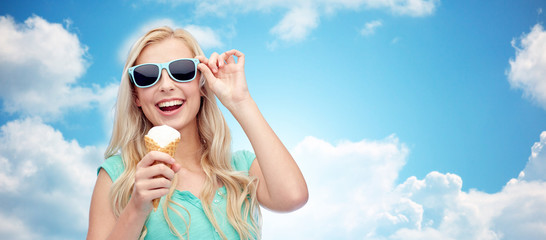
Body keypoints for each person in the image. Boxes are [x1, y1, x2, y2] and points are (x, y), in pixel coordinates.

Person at [87, 26, 308, 240]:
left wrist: (240, 101)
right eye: (147, 75)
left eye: (181, 71)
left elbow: (293, 197)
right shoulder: (118, 175)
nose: (165, 85)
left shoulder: (239, 168)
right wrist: (136, 208)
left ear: (201, 83)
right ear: (136, 96)